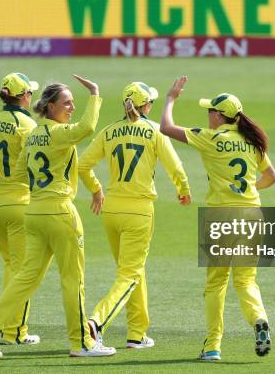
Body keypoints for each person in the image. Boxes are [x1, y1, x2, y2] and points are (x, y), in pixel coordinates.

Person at [0, 75, 116, 358]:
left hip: (34, 213)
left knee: (26, 277)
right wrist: (95, 95)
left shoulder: (33, 134)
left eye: (73, 103)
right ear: (49, 107)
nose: (72, 107)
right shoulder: (57, 133)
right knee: (73, 280)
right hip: (60, 212)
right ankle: (82, 343)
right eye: (67, 103)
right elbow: (87, 127)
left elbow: (22, 172)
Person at [159, 76, 275, 361]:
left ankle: (213, 346)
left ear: (217, 115)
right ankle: (259, 319)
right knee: (247, 282)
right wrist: (246, 188)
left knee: (216, 284)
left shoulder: (211, 138)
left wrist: (170, 98)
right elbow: (272, 178)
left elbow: (165, 128)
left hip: (220, 217)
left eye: (209, 111)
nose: (207, 116)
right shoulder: (253, 143)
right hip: (251, 215)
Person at [78, 82, 191, 349]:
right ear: (146, 105)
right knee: (129, 275)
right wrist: (183, 190)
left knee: (131, 271)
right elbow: (175, 166)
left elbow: (83, 166)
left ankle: (137, 333)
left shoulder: (109, 131)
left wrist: (96, 189)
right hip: (139, 211)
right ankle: (96, 321)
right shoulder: (154, 131)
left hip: (111, 209)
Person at [0, 72, 39, 346]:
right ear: (25, 95)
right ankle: (15, 332)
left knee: (10, 265)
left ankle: (5, 326)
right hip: (17, 204)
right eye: (31, 93)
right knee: (23, 271)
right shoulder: (26, 124)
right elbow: (33, 163)